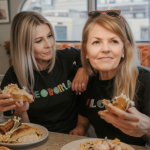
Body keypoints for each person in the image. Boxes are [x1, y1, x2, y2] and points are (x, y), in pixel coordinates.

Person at [70, 10, 150, 146]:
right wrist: (81, 128)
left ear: (124, 49)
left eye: (114, 41)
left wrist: (147, 129)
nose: (105, 49)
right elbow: (83, 116)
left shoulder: (145, 80)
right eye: (96, 42)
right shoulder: (88, 83)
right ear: (86, 52)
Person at [0, 11, 88, 134]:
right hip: (38, 137)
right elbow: (22, 130)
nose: (49, 44)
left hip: (73, 136)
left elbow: (87, 54)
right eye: (39, 41)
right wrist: (21, 111)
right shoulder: (12, 78)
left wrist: (83, 69)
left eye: (49, 36)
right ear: (23, 46)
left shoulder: (66, 58)